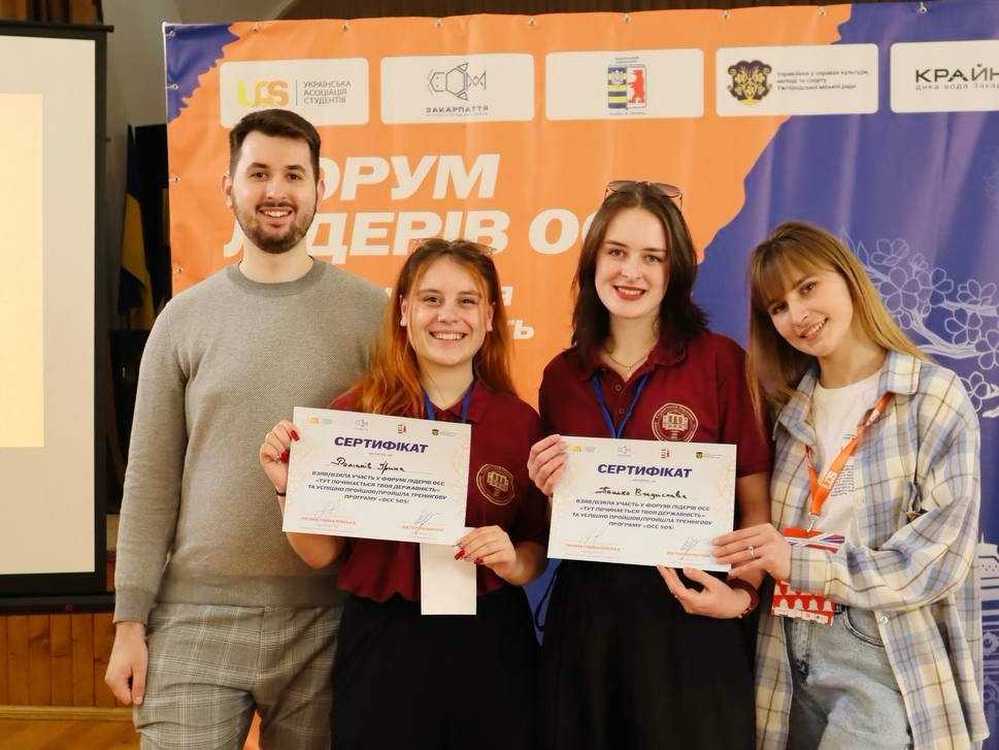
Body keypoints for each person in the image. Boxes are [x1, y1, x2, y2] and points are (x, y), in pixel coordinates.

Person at [105, 108, 386, 749]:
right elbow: (149, 482)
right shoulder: (183, 319)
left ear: (321, 186)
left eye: (293, 174)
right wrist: (129, 622)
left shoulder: (374, 315)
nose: (276, 190)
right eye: (258, 173)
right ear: (228, 185)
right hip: (193, 616)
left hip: (330, 620)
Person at [259, 238, 549, 750]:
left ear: (489, 317)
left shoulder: (520, 423)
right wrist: (288, 489)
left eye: (466, 301)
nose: (448, 316)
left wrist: (512, 562)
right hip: (384, 643)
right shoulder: (354, 414)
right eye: (431, 299)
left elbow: (535, 551)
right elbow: (321, 554)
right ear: (403, 312)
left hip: (491, 640)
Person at [713, 221, 987, 749]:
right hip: (785, 647)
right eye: (778, 307)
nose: (797, 314)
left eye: (807, 287)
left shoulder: (931, 396)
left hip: (881, 644)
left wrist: (799, 562)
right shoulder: (786, 413)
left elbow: (936, 560)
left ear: (849, 278)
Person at [527, 180, 772, 749]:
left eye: (652, 257)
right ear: (593, 261)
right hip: (587, 627)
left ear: (674, 269)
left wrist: (741, 596)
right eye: (616, 252)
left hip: (691, 620)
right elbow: (554, 519)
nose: (631, 272)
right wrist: (545, 488)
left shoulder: (719, 362)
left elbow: (757, 508)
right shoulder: (562, 375)